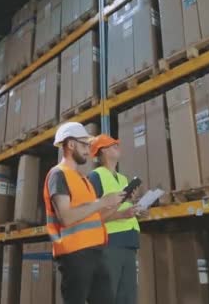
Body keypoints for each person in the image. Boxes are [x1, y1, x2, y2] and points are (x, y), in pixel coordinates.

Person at [43, 122, 124, 304]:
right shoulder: (58, 175)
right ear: (71, 145)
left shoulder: (82, 179)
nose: (89, 150)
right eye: (84, 144)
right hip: (75, 256)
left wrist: (115, 203)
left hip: (95, 253)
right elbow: (66, 217)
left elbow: (93, 216)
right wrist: (101, 202)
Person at [88, 134, 142, 304]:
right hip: (109, 245)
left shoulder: (123, 179)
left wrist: (135, 208)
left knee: (127, 299)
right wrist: (121, 214)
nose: (117, 146)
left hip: (129, 244)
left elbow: (122, 208)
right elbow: (91, 217)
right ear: (102, 150)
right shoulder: (95, 177)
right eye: (113, 145)